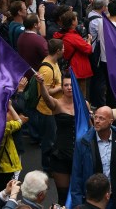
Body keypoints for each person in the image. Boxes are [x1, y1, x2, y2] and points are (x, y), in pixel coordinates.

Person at [69, 106, 116, 209]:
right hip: (93, 201)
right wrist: (77, 204)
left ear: (111, 121)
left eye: (101, 118)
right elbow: (76, 175)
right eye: (95, 117)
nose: (97, 121)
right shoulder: (83, 143)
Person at [35, 71, 80, 205]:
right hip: (61, 154)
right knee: (63, 196)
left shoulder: (84, 104)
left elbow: (90, 129)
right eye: (65, 85)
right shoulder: (57, 104)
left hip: (79, 154)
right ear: (62, 87)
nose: (69, 87)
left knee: (80, 193)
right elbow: (46, 97)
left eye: (71, 85)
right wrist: (42, 84)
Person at [35, 38, 64, 174]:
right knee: (48, 141)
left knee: (54, 138)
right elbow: (44, 91)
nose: (64, 50)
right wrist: (60, 87)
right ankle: (47, 168)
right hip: (47, 111)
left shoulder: (55, 62)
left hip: (53, 108)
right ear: (58, 51)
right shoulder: (46, 69)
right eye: (63, 48)